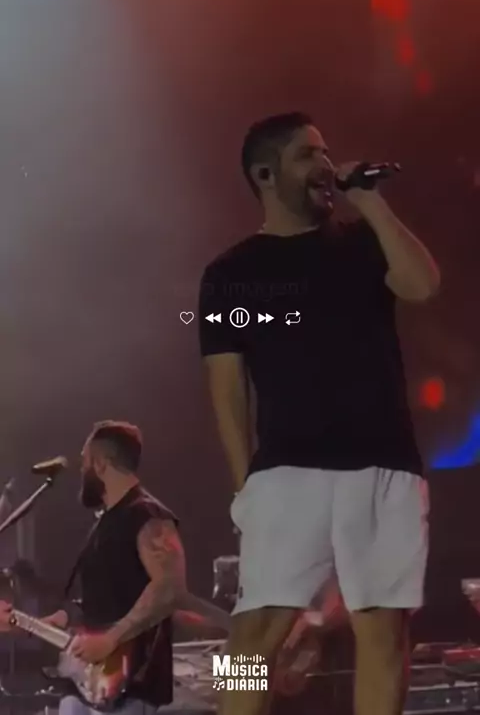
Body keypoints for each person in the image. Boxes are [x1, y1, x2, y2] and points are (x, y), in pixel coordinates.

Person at [198, 112, 440, 715]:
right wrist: (244, 487)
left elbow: (423, 285)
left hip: (384, 462)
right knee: (252, 635)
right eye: (308, 155)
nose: (327, 166)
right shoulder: (230, 274)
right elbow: (227, 389)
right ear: (265, 174)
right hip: (287, 470)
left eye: (326, 152)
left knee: (384, 632)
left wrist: (372, 203)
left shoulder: (363, 241)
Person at [0, 421, 186, 715]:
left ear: (100, 464)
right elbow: (103, 601)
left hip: (129, 688)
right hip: (87, 687)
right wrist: (61, 618)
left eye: (84, 461)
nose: (81, 470)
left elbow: (170, 588)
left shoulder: (148, 515)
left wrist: (110, 639)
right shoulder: (104, 525)